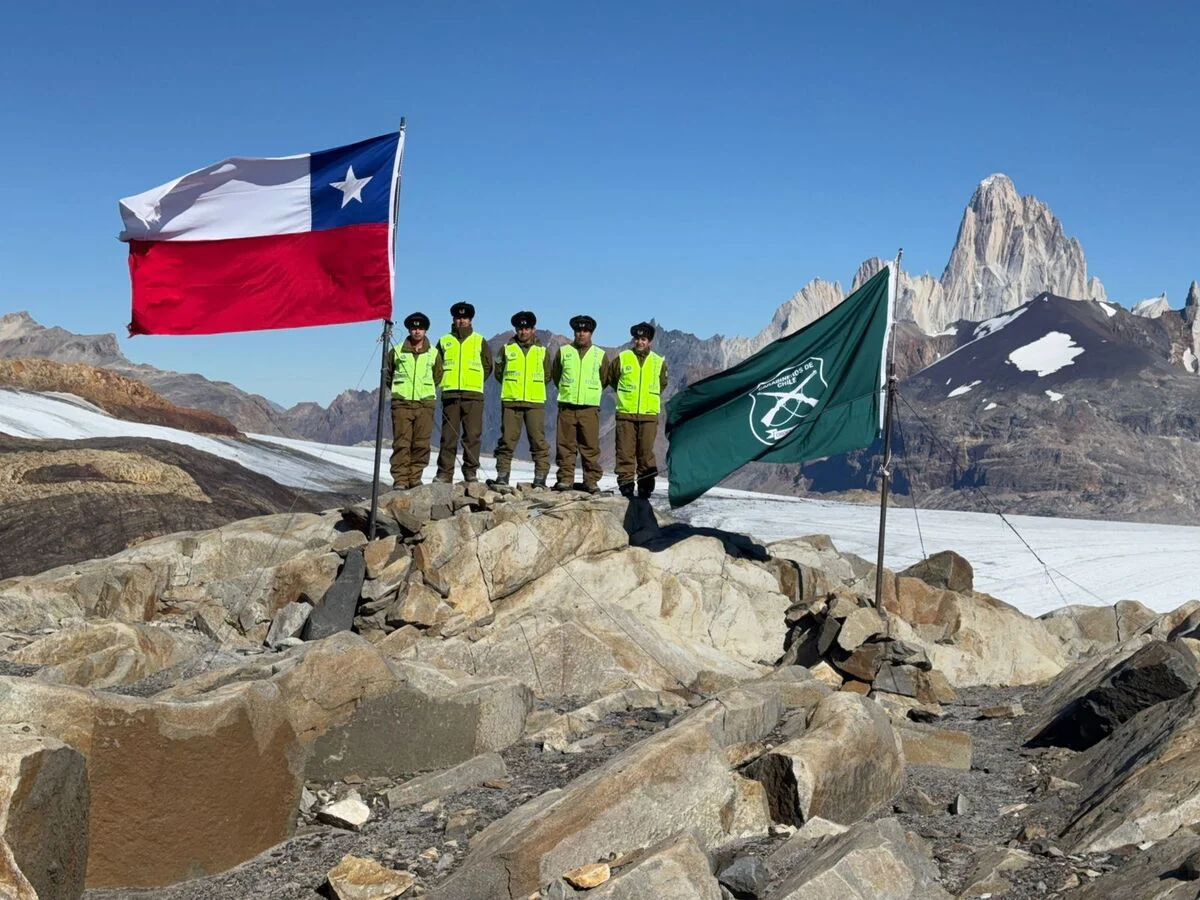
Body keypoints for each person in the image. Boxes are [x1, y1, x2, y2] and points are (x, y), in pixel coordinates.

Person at [434, 301, 492, 483]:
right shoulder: (444, 341)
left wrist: (473, 381)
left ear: (471, 319)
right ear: (453, 319)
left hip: (473, 395)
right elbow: (436, 367)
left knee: (472, 436)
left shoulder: (479, 340)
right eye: (458, 317)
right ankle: (444, 473)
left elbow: (488, 366)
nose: (461, 321)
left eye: (465, 317)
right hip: (451, 394)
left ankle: (470, 472)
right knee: (448, 436)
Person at [491, 310, 551, 488]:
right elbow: (499, 373)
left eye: (527, 328)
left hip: (534, 402)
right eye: (520, 328)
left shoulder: (542, 351)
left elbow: (547, 375)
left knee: (538, 441)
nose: (523, 331)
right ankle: (502, 476)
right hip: (511, 401)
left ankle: (540, 478)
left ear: (533, 329)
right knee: (507, 440)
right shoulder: (507, 349)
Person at [609, 321, 668, 498]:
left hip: (648, 415)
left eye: (643, 339)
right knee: (625, 452)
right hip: (626, 414)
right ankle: (626, 485)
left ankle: (645, 486)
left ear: (649, 341)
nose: (639, 342)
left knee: (646, 453)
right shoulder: (623, 358)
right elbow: (612, 379)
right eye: (637, 338)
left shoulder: (658, 362)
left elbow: (662, 385)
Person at [385, 312, 443, 489]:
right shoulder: (396, 352)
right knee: (401, 443)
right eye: (414, 328)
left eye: (420, 328)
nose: (417, 331)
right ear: (409, 330)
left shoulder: (434, 353)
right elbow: (388, 376)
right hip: (402, 404)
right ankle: (401, 479)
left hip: (424, 404)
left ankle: (415, 477)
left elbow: (438, 376)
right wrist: (400, 392)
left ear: (425, 330)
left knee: (421, 443)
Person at [550, 314, 606, 492]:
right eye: (578, 330)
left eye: (585, 330)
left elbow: (604, 379)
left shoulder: (600, 355)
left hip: (589, 409)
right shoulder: (564, 352)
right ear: (574, 331)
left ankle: (591, 481)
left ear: (591, 333)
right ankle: (566, 479)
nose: (581, 333)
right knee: (565, 446)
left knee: (590, 447)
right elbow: (556, 375)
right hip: (567, 406)